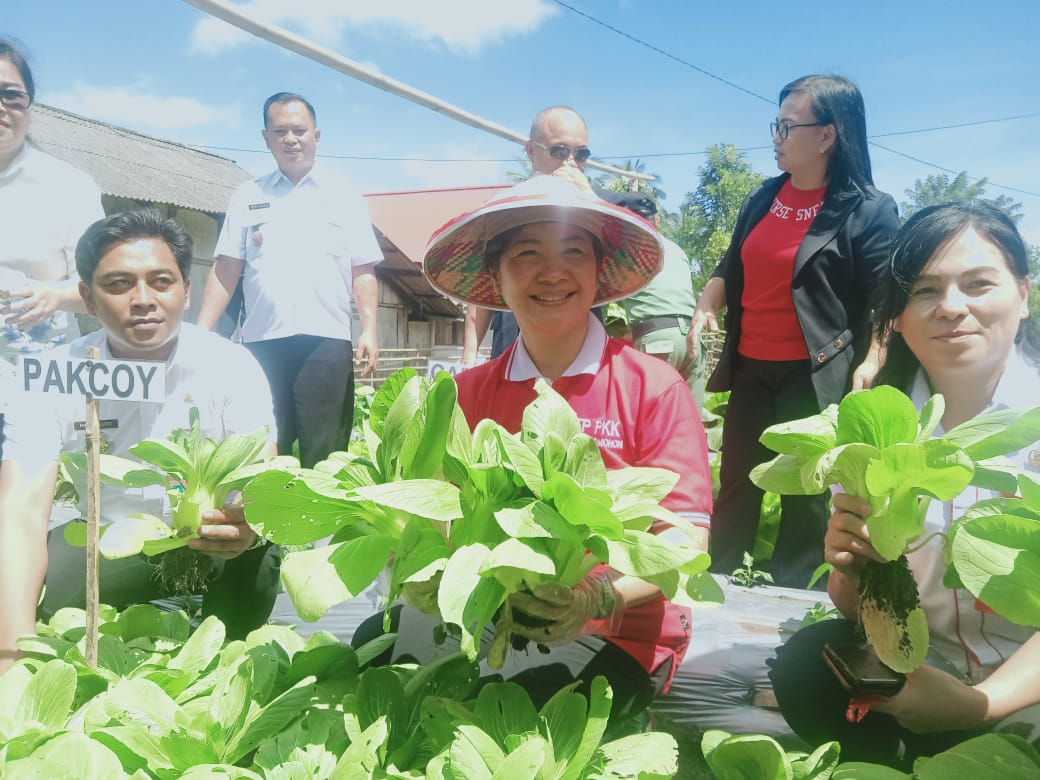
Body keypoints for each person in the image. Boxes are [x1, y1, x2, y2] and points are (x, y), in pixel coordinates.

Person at [384, 170, 714, 727]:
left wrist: (597, 599)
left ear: (597, 270)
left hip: (619, 629)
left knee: (531, 713)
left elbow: (686, 539)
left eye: (573, 252)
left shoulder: (653, 387)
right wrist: (423, 566)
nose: (552, 272)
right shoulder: (465, 394)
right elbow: (436, 514)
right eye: (527, 254)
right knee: (396, 677)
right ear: (496, 276)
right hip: (492, 613)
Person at [768, 201, 1040, 766]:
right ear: (897, 314)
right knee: (806, 665)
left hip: (1025, 689)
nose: (951, 307)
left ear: (1023, 293)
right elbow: (857, 608)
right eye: (924, 290)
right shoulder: (875, 428)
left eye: (978, 284)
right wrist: (848, 565)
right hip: (927, 675)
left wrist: (980, 705)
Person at [0, 209, 279, 675]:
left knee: (264, 552)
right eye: (119, 284)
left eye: (161, 281)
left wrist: (247, 517)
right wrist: (12, 653)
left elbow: (263, 474)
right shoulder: (51, 375)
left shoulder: (231, 365)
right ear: (87, 298)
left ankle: (229, 662)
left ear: (187, 290)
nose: (143, 299)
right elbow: (21, 510)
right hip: (105, 545)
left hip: (206, 542)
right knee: (41, 580)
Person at [690, 74, 899, 587]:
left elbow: (886, 300)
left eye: (787, 126)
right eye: (776, 125)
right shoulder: (763, 197)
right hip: (751, 368)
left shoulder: (867, 210)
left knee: (805, 495)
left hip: (817, 374)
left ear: (827, 135)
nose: (776, 137)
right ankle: (714, 587)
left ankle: (794, 598)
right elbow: (731, 264)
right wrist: (708, 299)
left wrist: (873, 358)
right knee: (738, 482)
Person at [196, 91, 381, 468]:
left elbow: (362, 269)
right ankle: (260, 528)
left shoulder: (344, 196)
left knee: (326, 454)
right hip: (262, 344)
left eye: (300, 130)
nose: (291, 139)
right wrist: (199, 333)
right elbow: (226, 268)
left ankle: (323, 528)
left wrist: (369, 329)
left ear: (317, 135)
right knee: (259, 448)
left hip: (325, 342)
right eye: (280, 131)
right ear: (266, 137)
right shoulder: (248, 196)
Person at [0, 38, 104, 454]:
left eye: (11, 94)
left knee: (32, 510)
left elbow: (104, 288)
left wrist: (52, 296)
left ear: (30, 105)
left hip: (37, 384)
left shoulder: (68, 186)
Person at [460, 106, 593, 366]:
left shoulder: (600, 209)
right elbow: (481, 288)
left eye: (581, 154)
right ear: (532, 151)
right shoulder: (504, 211)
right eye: (559, 151)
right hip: (511, 338)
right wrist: (470, 352)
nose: (570, 163)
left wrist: (587, 201)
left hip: (581, 354)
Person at [610, 191, 706, 406]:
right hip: (692, 339)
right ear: (658, 219)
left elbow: (602, 299)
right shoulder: (676, 249)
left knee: (650, 416)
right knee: (691, 422)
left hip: (657, 342)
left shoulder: (629, 250)